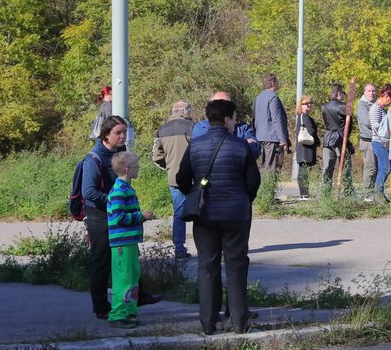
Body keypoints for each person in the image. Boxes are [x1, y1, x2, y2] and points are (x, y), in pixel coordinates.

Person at [177, 99, 260, 336]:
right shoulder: (241, 146)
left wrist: (196, 193)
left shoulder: (195, 146)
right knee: (236, 265)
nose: (235, 122)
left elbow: (182, 178)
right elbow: (253, 180)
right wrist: (244, 198)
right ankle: (239, 322)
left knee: (207, 266)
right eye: (234, 118)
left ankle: (208, 323)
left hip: (204, 214)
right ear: (226, 119)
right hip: (236, 214)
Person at [82, 115, 161, 319]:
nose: (123, 136)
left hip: (117, 213)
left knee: (128, 257)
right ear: (106, 135)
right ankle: (100, 306)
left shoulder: (122, 154)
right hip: (100, 215)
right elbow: (88, 192)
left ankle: (138, 296)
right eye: (118, 132)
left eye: (125, 132)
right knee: (101, 260)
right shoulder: (94, 159)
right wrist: (114, 201)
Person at [106, 151, 156, 329]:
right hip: (121, 243)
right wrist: (140, 216)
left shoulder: (126, 188)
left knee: (133, 277)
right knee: (123, 279)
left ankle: (130, 312)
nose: (138, 170)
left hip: (129, 241)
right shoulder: (119, 190)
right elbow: (119, 217)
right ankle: (118, 314)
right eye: (136, 167)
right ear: (127, 169)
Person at [152, 100, 195, 259]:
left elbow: (156, 157)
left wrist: (169, 166)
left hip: (174, 179)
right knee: (201, 211)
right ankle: (207, 246)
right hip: (194, 178)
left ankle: (179, 248)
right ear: (186, 111)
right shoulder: (194, 127)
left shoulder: (162, 130)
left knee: (179, 213)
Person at [192, 91, 260, 159]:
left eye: (225, 104)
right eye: (216, 105)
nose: (221, 108)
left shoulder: (243, 128)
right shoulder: (201, 127)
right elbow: (201, 152)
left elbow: (254, 150)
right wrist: (242, 144)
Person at [321, 83, 354, 194]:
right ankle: (348, 191)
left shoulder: (324, 106)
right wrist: (346, 137)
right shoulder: (344, 106)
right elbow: (349, 126)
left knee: (328, 167)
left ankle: (326, 192)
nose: (344, 96)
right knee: (345, 166)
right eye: (343, 93)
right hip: (340, 139)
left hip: (328, 138)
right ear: (339, 93)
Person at [253, 74, 289, 173]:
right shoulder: (273, 98)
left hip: (260, 137)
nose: (278, 83)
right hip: (272, 138)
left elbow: (254, 118)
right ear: (272, 83)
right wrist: (283, 139)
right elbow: (277, 119)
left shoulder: (258, 97)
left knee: (264, 166)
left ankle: (264, 187)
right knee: (271, 168)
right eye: (277, 81)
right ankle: (268, 188)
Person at [368, 84, 391, 202]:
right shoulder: (375, 108)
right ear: (386, 96)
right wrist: (388, 116)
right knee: (386, 167)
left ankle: (380, 193)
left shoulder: (381, 108)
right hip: (379, 142)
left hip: (384, 142)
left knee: (383, 168)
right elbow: (376, 127)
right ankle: (379, 193)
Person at [356, 82, 378, 200]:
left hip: (377, 140)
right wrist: (383, 125)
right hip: (367, 140)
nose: (371, 93)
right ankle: (368, 195)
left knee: (379, 167)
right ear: (364, 92)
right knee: (370, 167)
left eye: (373, 91)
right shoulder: (362, 105)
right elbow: (367, 122)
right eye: (369, 91)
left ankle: (374, 192)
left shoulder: (376, 104)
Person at [294, 95, 319, 199]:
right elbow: (311, 130)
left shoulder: (300, 116)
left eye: (310, 103)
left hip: (302, 147)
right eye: (306, 103)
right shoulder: (305, 116)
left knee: (303, 171)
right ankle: (304, 194)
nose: (309, 105)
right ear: (301, 105)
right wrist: (318, 140)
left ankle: (304, 193)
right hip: (305, 148)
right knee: (304, 172)